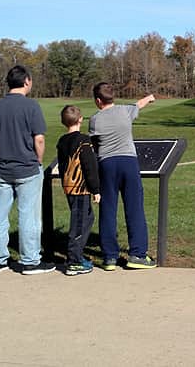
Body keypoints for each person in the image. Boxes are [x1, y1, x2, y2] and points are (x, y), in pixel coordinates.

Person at [0, 65, 55, 275]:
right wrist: (38, 161)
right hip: (27, 168)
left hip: (2, 168)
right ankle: (30, 261)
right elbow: (39, 139)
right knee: (29, 216)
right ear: (26, 81)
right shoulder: (31, 107)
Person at [89, 82, 157, 270]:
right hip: (128, 163)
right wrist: (150, 98)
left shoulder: (95, 120)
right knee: (135, 208)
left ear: (98, 101)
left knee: (108, 210)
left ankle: (110, 257)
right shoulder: (125, 111)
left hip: (107, 165)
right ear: (113, 98)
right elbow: (139, 104)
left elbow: (94, 146)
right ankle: (137, 255)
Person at [57, 105, 101, 276]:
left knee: (87, 218)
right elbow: (90, 166)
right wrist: (95, 189)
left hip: (68, 186)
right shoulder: (83, 140)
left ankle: (77, 255)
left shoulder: (62, 141)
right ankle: (74, 261)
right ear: (81, 119)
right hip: (80, 188)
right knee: (79, 224)